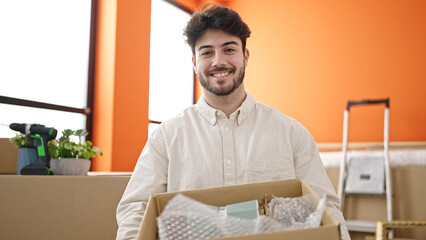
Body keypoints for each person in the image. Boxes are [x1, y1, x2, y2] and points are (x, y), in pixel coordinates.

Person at [116, 4, 350, 240]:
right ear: (195, 62)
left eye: (229, 49)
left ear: (245, 57)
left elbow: (327, 210)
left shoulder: (291, 134)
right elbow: (135, 210)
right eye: (207, 52)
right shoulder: (166, 137)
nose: (218, 61)